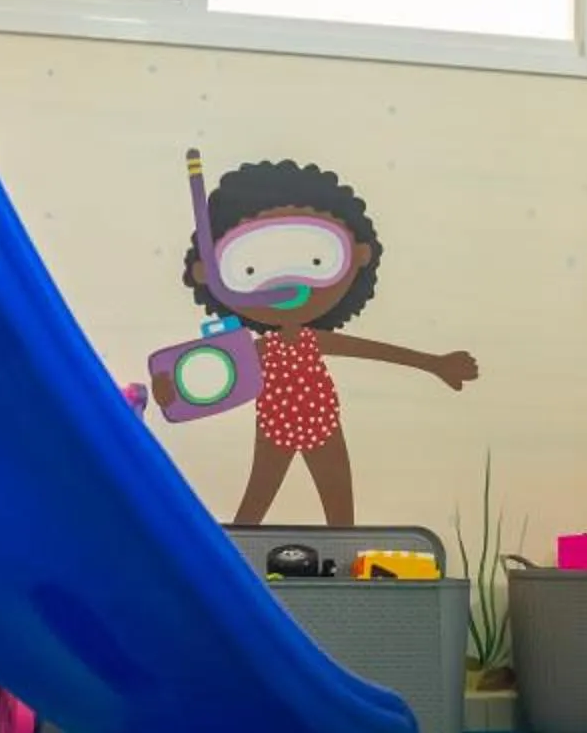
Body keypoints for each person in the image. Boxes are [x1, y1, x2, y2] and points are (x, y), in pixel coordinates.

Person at [155, 159, 477, 526]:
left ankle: (336, 574)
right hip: (276, 425)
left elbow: (372, 350)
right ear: (207, 275)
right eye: (247, 270)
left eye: (318, 258)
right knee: (254, 509)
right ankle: (231, 572)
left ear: (358, 255)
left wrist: (435, 363)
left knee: (339, 513)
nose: (284, 282)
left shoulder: (307, 342)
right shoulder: (251, 352)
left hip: (321, 423)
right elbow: (214, 383)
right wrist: (172, 393)